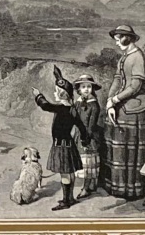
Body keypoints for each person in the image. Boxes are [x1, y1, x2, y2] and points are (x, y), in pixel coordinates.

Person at [103, 24, 145, 199]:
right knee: (120, 149)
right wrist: (109, 100)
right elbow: (117, 79)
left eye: (117, 39)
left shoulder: (137, 57)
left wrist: (116, 99)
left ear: (126, 38)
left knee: (135, 152)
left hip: (138, 106)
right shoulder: (124, 57)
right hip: (123, 101)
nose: (116, 43)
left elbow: (136, 85)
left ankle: (138, 189)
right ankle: (120, 187)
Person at [31, 66, 87, 211]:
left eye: (56, 91)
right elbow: (81, 128)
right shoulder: (72, 109)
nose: (55, 93)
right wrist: (85, 140)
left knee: (65, 175)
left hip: (62, 147)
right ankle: (70, 198)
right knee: (70, 173)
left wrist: (38, 95)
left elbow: (45, 106)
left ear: (62, 94)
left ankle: (66, 201)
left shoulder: (62, 108)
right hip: (69, 147)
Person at [72, 74, 103, 199]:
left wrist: (86, 139)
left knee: (88, 163)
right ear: (79, 89)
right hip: (78, 134)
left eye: (88, 86)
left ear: (92, 89)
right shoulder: (78, 102)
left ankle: (86, 188)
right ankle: (88, 185)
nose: (86, 89)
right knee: (80, 161)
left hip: (88, 137)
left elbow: (91, 124)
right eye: (83, 86)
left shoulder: (94, 105)